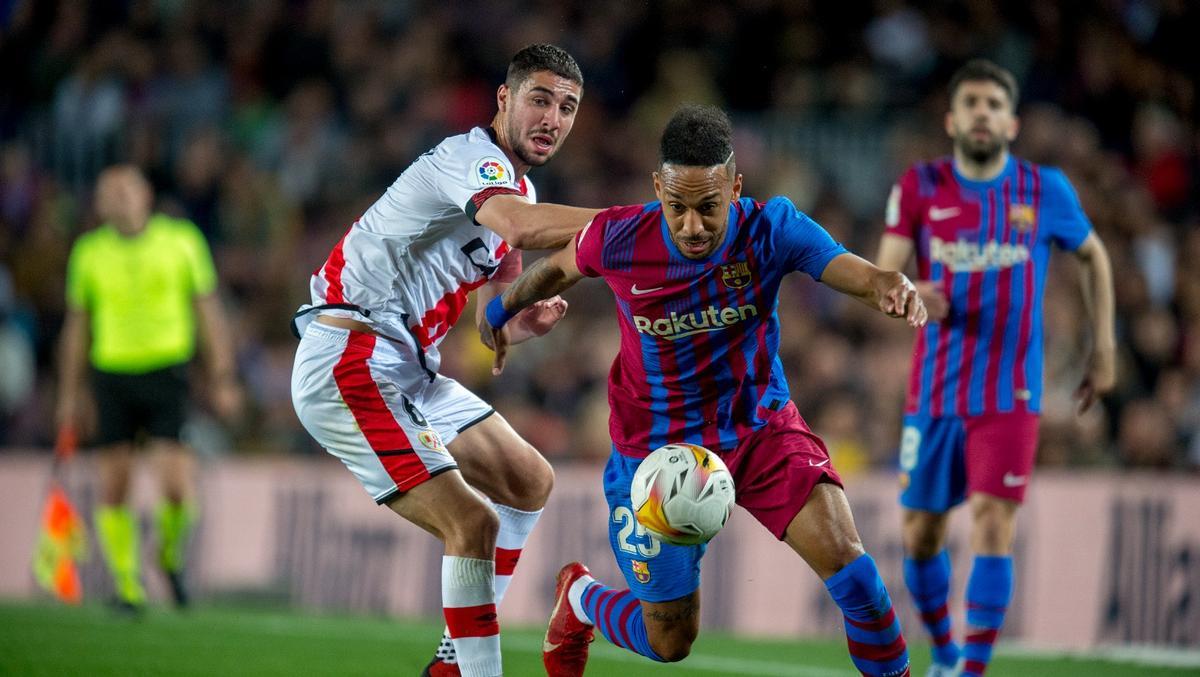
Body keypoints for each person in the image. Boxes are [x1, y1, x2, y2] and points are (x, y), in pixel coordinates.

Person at [483, 104, 924, 677]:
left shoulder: (771, 228)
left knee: (857, 577)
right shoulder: (617, 236)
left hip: (760, 429)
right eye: (678, 207)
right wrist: (498, 312)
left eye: (709, 207)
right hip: (656, 455)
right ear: (657, 189)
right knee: (670, 642)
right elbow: (554, 271)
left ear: (735, 187)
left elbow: (847, 269)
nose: (692, 226)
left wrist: (886, 283)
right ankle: (582, 598)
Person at [289, 44, 600, 677]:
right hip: (350, 353)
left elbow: (499, 283)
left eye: (567, 107)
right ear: (504, 100)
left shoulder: (521, 185)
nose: (553, 119)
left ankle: (455, 662)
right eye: (539, 100)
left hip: (405, 365)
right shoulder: (470, 160)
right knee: (472, 523)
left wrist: (516, 316)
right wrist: (636, 224)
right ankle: (467, 671)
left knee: (528, 480)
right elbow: (517, 228)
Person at [874, 59, 1116, 677]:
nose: (982, 113)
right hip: (933, 392)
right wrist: (910, 292)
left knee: (991, 520)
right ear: (951, 118)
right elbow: (884, 274)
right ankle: (945, 652)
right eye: (971, 103)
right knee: (920, 535)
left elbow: (1093, 258)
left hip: (1010, 393)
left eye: (994, 105)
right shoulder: (920, 185)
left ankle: (972, 671)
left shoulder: (1044, 190)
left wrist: (1104, 348)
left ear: (1011, 123)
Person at [56, 164, 242, 612]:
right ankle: (127, 587)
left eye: (126, 189)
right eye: (108, 191)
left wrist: (222, 376)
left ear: (145, 196)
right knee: (114, 483)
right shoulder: (88, 253)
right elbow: (77, 328)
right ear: (98, 203)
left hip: (166, 372)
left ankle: (169, 556)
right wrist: (70, 393)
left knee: (176, 487)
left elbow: (208, 312)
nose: (117, 197)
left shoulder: (180, 241)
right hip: (111, 374)